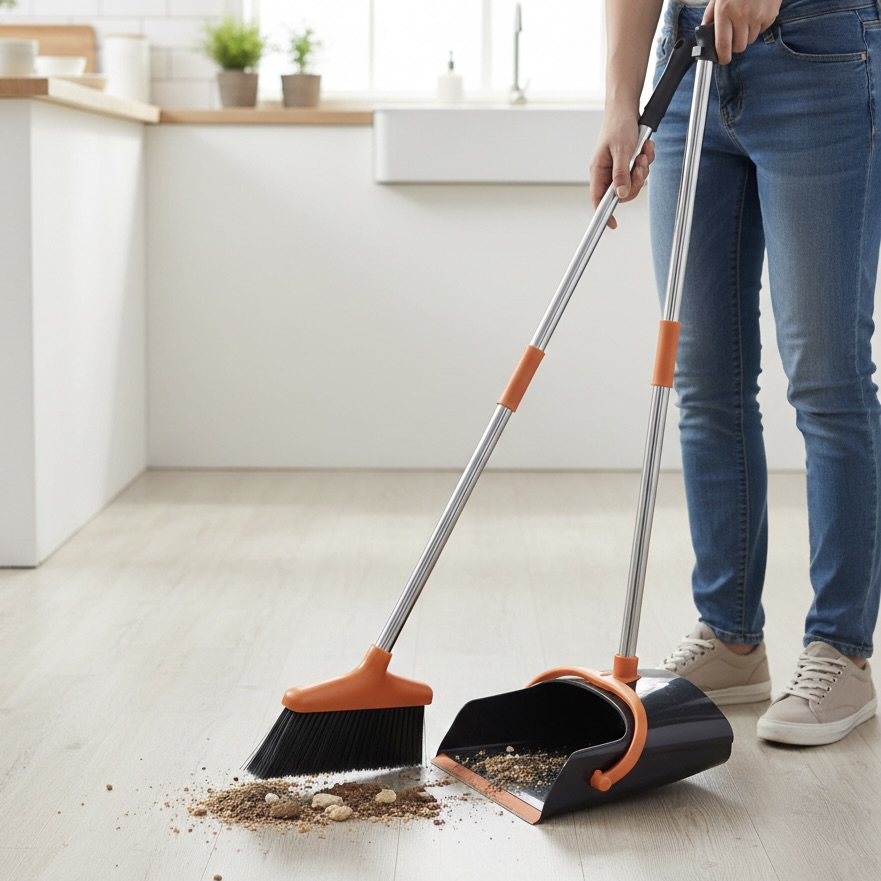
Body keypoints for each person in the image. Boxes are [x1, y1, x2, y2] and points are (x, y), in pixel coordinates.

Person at [591, 0, 881, 745]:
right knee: (702, 377)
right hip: (687, 67)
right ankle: (730, 638)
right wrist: (620, 103)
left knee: (826, 378)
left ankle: (841, 649)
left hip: (819, 56)